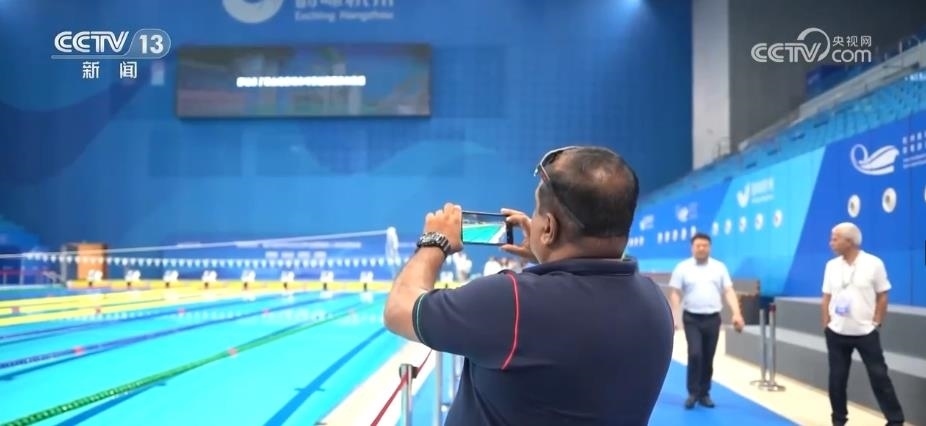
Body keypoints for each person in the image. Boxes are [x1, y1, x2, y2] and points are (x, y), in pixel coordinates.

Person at [383, 146, 674, 426]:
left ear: (548, 228)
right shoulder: (654, 302)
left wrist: (435, 242)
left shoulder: (512, 303)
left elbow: (398, 310)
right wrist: (547, 252)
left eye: (536, 213)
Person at [821, 222, 905, 426]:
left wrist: (877, 321)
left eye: (835, 238)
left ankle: (895, 420)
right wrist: (826, 323)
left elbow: (883, 295)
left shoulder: (874, 263)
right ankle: (838, 420)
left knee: (879, 377)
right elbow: (826, 296)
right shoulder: (831, 266)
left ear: (849, 241)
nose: (831, 242)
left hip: (865, 332)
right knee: (837, 380)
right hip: (836, 332)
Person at [667, 232, 745, 409]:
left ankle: (704, 393)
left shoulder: (719, 267)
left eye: (705, 245)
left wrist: (737, 313)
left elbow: (728, 291)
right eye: (698, 245)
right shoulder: (683, 267)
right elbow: (675, 292)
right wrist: (675, 316)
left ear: (710, 247)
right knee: (695, 354)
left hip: (712, 319)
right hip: (691, 318)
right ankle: (693, 393)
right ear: (692, 248)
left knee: (708, 357)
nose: (701, 248)